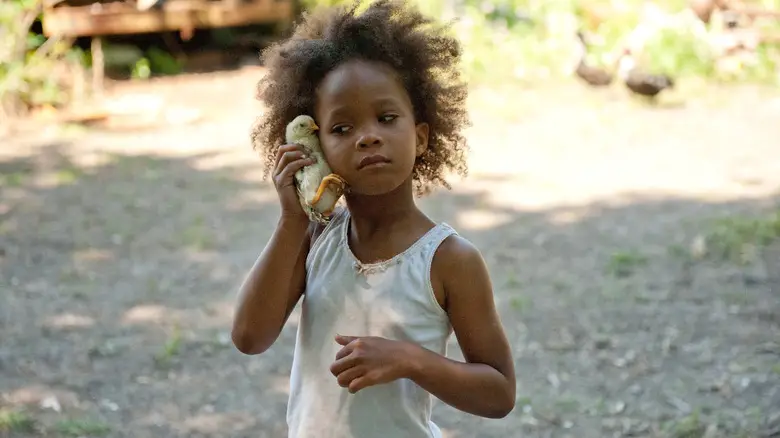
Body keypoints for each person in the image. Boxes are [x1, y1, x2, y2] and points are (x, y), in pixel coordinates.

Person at [231, 0, 516, 436]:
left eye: (386, 118)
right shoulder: (312, 239)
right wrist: (292, 220)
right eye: (342, 128)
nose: (368, 137)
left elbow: (498, 393)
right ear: (316, 148)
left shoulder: (449, 260)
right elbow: (250, 337)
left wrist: (410, 360)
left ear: (421, 137)